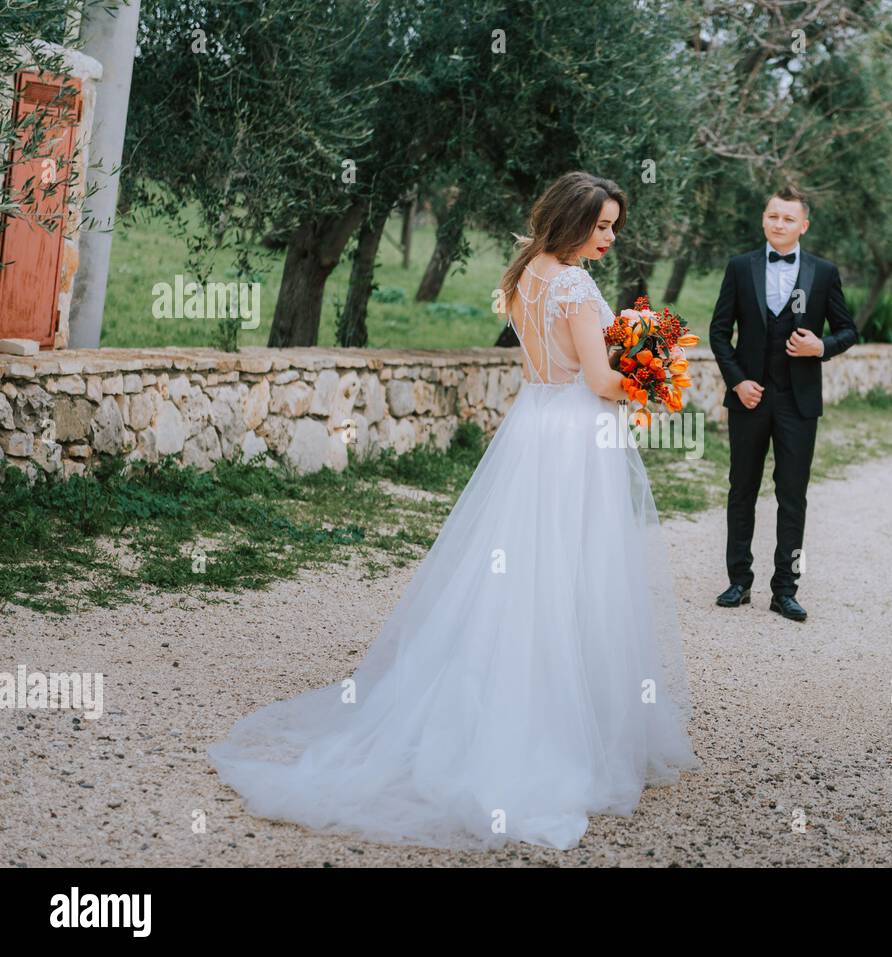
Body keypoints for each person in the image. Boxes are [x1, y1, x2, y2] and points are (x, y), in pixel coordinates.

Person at [208, 171, 699, 851]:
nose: (610, 237)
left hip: (533, 426)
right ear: (571, 220)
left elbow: (551, 361)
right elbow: (599, 380)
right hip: (573, 437)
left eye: (615, 225)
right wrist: (657, 370)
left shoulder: (528, 272)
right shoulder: (577, 286)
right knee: (570, 573)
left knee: (519, 574)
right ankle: (553, 735)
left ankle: (485, 707)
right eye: (602, 225)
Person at [708, 185, 859, 622]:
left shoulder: (823, 272)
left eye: (788, 219)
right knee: (742, 490)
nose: (779, 224)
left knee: (792, 496)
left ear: (803, 226)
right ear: (764, 219)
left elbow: (848, 330)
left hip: (799, 402)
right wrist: (737, 383)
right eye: (773, 216)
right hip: (749, 398)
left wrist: (821, 347)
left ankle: (785, 590)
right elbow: (719, 332)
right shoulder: (740, 268)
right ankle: (738, 581)